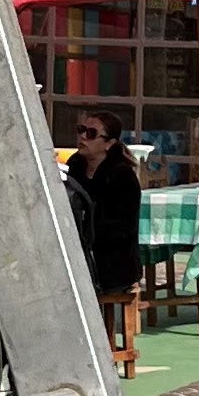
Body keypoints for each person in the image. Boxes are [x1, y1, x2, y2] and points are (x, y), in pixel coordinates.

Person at [66, 108, 142, 300]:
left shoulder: (122, 176)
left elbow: (125, 227)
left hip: (114, 261)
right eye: (81, 129)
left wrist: (87, 234)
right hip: (79, 251)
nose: (83, 136)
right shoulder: (75, 166)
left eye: (91, 134)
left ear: (109, 143)